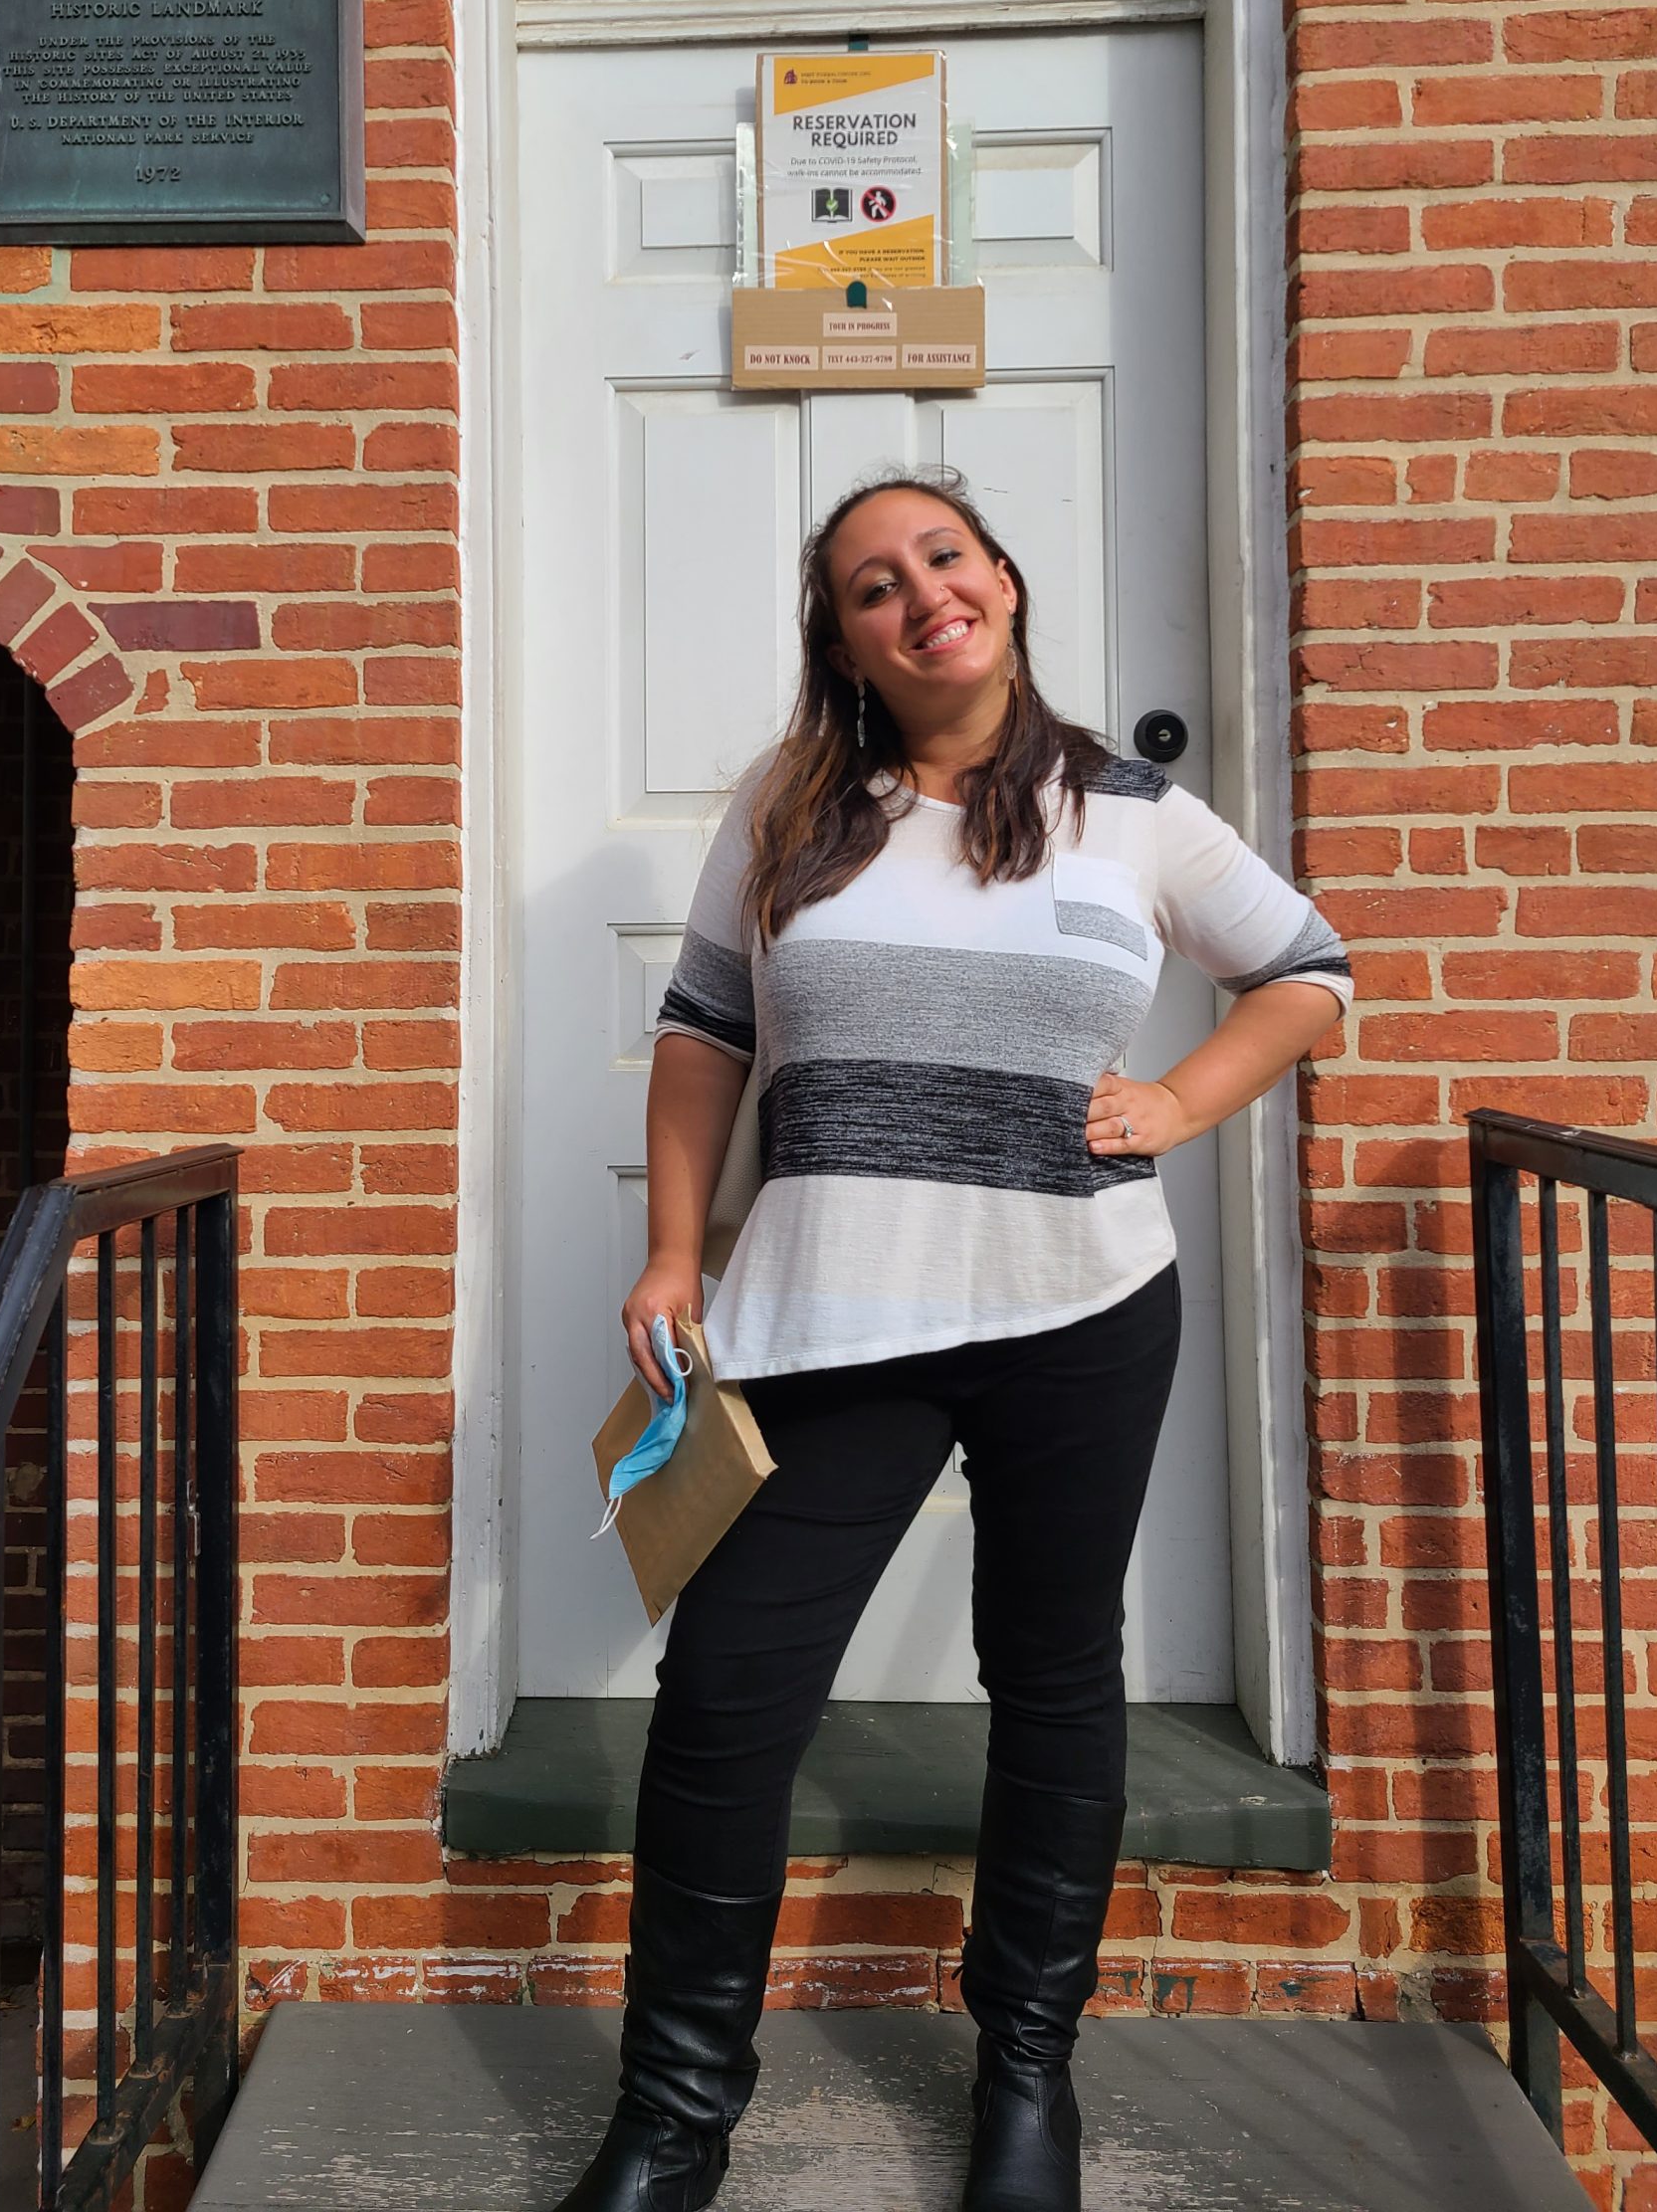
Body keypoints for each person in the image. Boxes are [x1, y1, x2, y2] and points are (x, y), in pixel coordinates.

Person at [552, 469, 1351, 2212]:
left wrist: (1181, 1101)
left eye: (942, 557)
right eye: (869, 585)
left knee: (1054, 1679)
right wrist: (676, 1251)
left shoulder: (1136, 814)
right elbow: (701, 1040)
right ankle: (674, 2121)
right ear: (842, 640)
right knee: (725, 1699)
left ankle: (1025, 2088)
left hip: (1081, 1310)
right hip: (836, 1315)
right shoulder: (786, 811)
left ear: (1000, 579)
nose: (919, 595)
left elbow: (1310, 971)